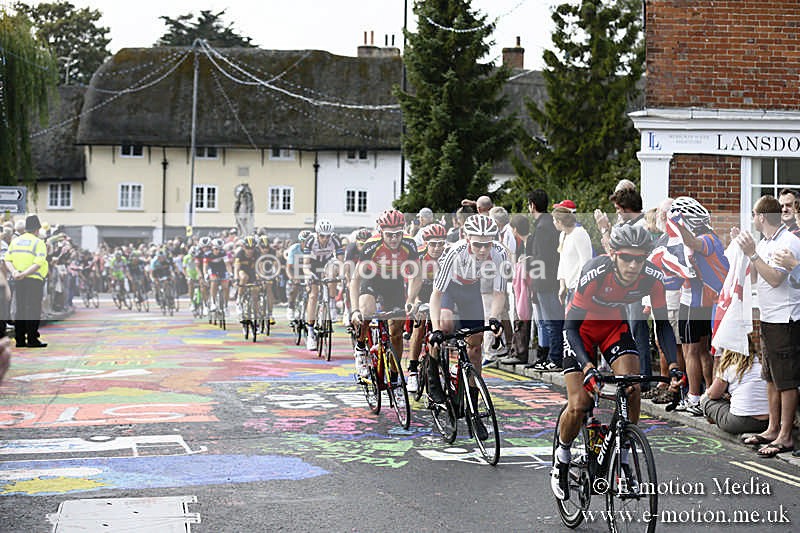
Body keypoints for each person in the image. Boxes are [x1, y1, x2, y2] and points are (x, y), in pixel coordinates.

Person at [551, 225, 682, 501]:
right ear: (613, 255)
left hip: (612, 327)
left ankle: (622, 460)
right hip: (580, 330)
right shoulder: (594, 274)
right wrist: (588, 368)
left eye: (639, 258)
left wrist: (672, 365)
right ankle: (561, 459)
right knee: (579, 404)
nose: (633, 265)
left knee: (632, 386)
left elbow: (664, 326)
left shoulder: (653, 278)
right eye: (626, 258)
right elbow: (571, 328)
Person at [735, 195, 800, 458]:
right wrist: (744, 252)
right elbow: (755, 274)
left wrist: (752, 254)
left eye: (754, 214)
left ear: (761, 217)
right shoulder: (765, 242)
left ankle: (785, 436)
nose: (753, 219)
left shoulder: (789, 242)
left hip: (786, 319)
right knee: (771, 378)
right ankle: (772, 429)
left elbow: (774, 279)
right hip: (769, 318)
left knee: (786, 381)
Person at [427, 215, 506, 425]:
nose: (482, 250)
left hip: (471, 289)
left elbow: (500, 293)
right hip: (449, 289)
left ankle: (472, 407)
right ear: (467, 238)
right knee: (445, 324)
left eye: (486, 244)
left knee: (476, 346)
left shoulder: (499, 253)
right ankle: (433, 374)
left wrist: (495, 318)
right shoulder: (454, 252)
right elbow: (436, 295)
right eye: (478, 244)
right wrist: (435, 330)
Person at [669, 197, 729, 414]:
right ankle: (708, 394)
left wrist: (679, 223)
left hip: (696, 301)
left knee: (692, 351)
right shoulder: (710, 237)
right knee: (703, 351)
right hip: (705, 300)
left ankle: (695, 398)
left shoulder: (706, 239)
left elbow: (693, 244)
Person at [350, 209, 421, 379]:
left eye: (398, 234)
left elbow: (416, 275)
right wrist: (354, 310)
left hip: (394, 281)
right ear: (381, 232)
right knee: (366, 311)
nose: (394, 238)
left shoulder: (409, 244)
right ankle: (360, 347)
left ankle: (395, 379)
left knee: (396, 332)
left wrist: (410, 300)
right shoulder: (371, 245)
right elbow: (356, 279)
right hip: (372, 278)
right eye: (389, 235)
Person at [405, 223, 447, 392]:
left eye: (440, 243)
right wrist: (414, 302)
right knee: (419, 326)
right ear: (426, 243)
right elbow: (413, 283)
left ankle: (437, 366)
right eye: (433, 244)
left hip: (440, 291)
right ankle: (413, 370)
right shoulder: (419, 256)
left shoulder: (448, 254)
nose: (437, 248)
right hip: (420, 290)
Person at [527, 189, 562, 371]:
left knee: (551, 321)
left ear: (532, 205)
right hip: (550, 280)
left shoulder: (542, 227)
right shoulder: (549, 223)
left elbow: (542, 258)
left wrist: (529, 262)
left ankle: (555, 358)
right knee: (547, 321)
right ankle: (547, 356)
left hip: (545, 282)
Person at [701, 348, 769, 435]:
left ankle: (714, 418)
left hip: (739, 422)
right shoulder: (764, 364)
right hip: (767, 422)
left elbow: (712, 395)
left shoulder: (730, 366)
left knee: (705, 399)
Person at [5, 215, 49, 348]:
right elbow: (38, 263)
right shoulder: (38, 243)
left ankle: (19, 339)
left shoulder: (16, 241)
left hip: (18, 279)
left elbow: (7, 259)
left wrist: (14, 272)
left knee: (20, 308)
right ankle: (32, 339)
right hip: (34, 279)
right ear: (37, 229)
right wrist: (25, 273)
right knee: (33, 309)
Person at [303, 219, 344, 351]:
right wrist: (308, 274)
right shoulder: (310, 240)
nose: (325, 239)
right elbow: (305, 265)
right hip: (313, 266)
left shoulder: (336, 240)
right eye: (322, 236)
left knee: (333, 274)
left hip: (327, 264)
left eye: (328, 236)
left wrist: (342, 276)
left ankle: (331, 304)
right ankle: (310, 333)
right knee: (313, 296)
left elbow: (341, 262)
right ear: (317, 234)